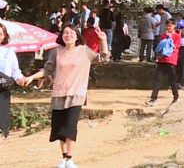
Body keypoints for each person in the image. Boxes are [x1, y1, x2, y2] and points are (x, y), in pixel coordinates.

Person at [24, 24, 109, 168]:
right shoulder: (56, 52)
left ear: (77, 37)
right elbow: (47, 70)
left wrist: (103, 41)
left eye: (70, 33)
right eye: (65, 33)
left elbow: (104, 59)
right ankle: (64, 158)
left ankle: (70, 159)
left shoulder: (84, 51)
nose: (67, 35)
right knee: (60, 129)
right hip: (59, 94)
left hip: (76, 94)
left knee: (70, 126)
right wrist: (32, 77)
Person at [0, 22, 28, 138]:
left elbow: (15, 70)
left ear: (4, 36)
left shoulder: (9, 52)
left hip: (3, 88)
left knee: (2, 117)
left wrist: (20, 79)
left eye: (0, 34)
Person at [146, 18, 181, 106]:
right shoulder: (162, 36)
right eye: (167, 26)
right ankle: (153, 98)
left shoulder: (177, 36)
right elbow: (159, 47)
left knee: (172, 79)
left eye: (170, 25)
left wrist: (170, 40)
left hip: (171, 60)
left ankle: (176, 97)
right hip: (162, 60)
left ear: (174, 26)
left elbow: (176, 47)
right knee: (157, 79)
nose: (168, 27)